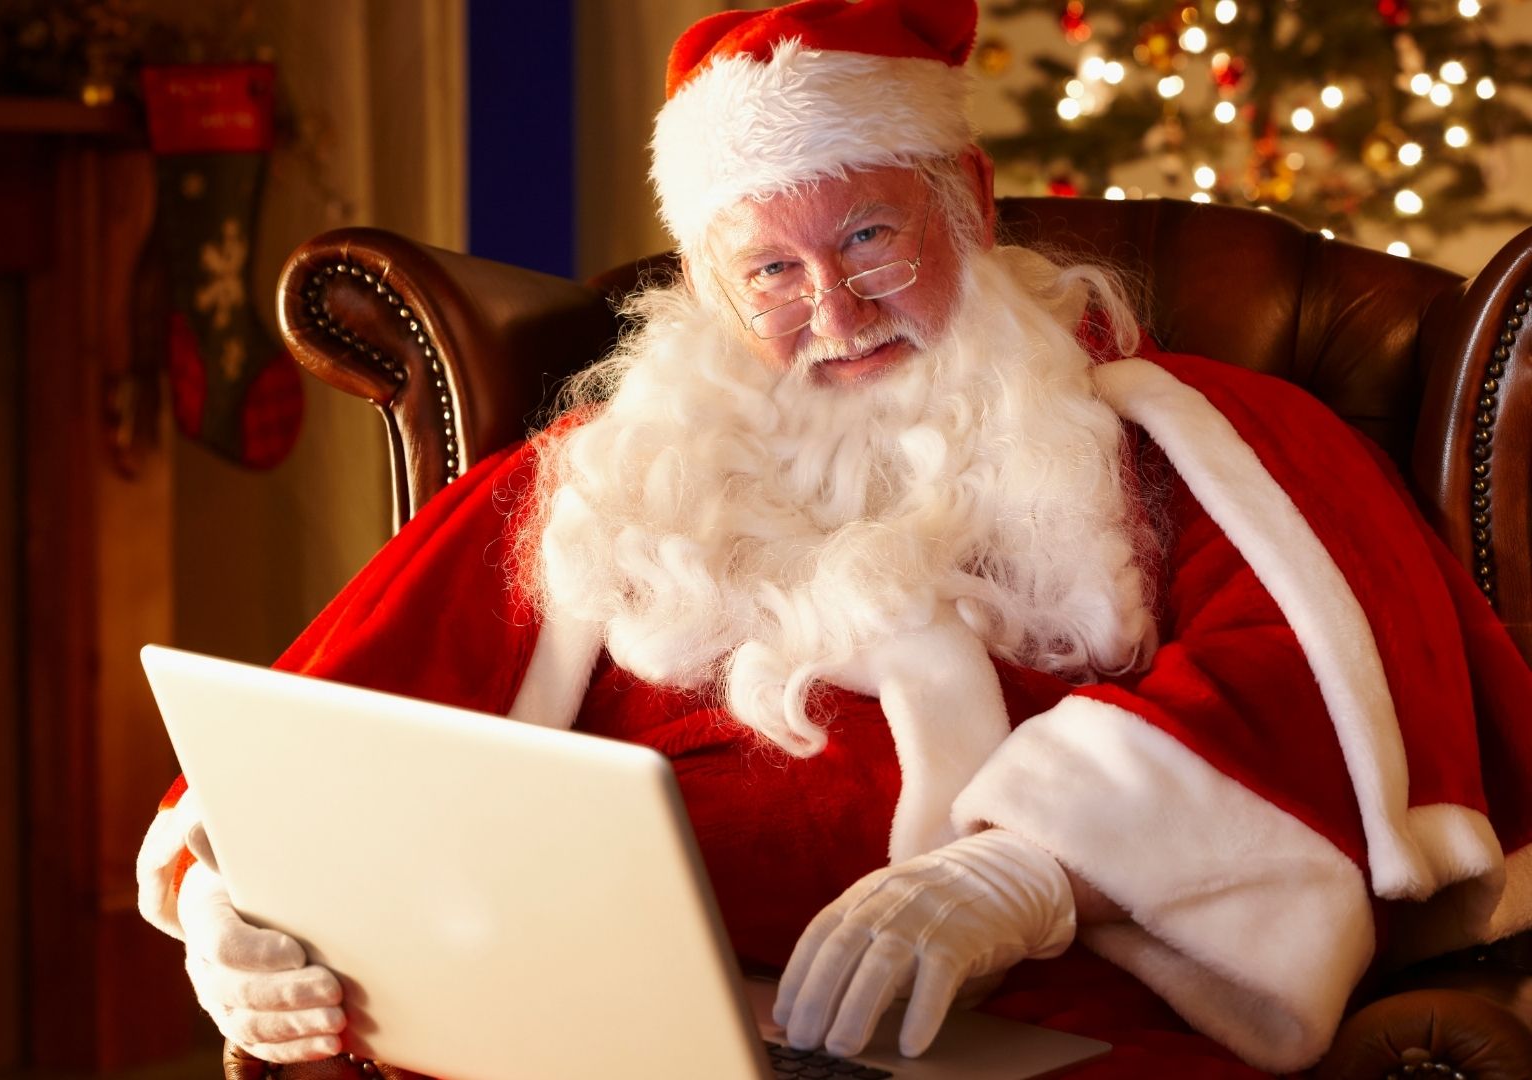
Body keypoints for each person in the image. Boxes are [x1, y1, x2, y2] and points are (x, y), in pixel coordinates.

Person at [137, 0, 1532, 1074]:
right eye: (771, 271)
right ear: (708, 284)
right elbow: (315, 725)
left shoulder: (1178, 437)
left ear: (970, 205)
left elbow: (1310, 679)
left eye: (870, 236)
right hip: (615, 1035)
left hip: (1051, 1032)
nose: (834, 307)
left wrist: (1025, 870)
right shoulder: (607, 478)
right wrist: (228, 904)